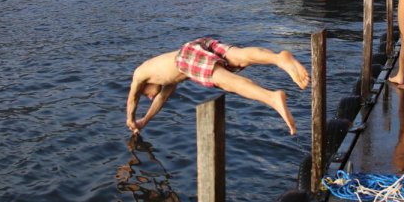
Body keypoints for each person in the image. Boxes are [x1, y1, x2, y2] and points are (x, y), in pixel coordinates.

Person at [126, 39, 309, 135]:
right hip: (197, 45)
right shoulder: (166, 79)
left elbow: (132, 98)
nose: (149, 97)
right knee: (239, 56)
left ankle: (272, 98)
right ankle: (278, 58)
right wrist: (144, 121)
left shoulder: (139, 74)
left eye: (146, 95)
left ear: (144, 87)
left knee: (226, 81)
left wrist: (130, 118)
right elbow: (161, 99)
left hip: (186, 57)